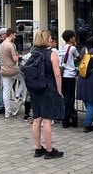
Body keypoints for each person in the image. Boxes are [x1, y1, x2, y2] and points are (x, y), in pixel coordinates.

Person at [29, 29, 64, 159]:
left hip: (35, 89)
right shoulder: (51, 54)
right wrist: (59, 91)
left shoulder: (33, 53)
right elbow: (57, 74)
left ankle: (38, 148)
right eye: (50, 37)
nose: (51, 39)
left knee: (37, 119)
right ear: (47, 39)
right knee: (47, 119)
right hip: (48, 88)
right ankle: (49, 150)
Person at [76, 37, 93, 133]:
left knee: (87, 102)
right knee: (92, 103)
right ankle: (87, 125)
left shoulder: (84, 50)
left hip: (82, 79)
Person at [58, 30, 81, 128]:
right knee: (70, 98)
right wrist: (74, 45)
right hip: (70, 75)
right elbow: (79, 58)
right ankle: (66, 119)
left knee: (66, 97)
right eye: (73, 37)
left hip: (62, 75)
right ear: (71, 38)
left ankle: (71, 115)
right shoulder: (72, 48)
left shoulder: (61, 48)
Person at [0, 28, 23, 118]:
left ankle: (7, 112)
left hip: (4, 70)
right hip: (13, 70)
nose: (15, 37)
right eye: (15, 35)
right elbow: (15, 59)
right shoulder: (11, 45)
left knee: (6, 91)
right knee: (24, 80)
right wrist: (19, 56)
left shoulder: (2, 45)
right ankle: (18, 95)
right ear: (12, 34)